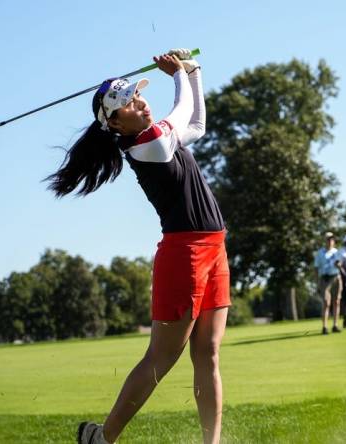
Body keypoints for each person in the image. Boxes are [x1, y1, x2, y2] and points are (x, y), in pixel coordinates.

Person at [45, 49, 228, 444]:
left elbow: (196, 123)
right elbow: (181, 112)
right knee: (162, 358)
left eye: (136, 95)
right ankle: (103, 438)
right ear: (114, 123)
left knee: (208, 354)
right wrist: (179, 75)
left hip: (214, 246)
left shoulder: (161, 136)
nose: (138, 101)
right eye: (127, 103)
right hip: (185, 255)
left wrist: (194, 72)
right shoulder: (146, 144)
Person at [314, 232, 342, 334]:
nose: (330, 241)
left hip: (336, 277)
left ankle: (335, 325)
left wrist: (339, 264)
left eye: (332, 240)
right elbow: (316, 268)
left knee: (337, 302)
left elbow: (340, 264)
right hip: (325, 279)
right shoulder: (320, 253)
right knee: (326, 302)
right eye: (328, 239)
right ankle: (324, 326)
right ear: (325, 241)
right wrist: (317, 282)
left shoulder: (336, 252)